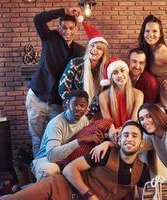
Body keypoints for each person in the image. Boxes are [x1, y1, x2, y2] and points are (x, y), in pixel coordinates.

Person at [6, 120, 150, 200]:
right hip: (60, 187)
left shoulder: (142, 170)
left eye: (134, 136)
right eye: (126, 135)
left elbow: (143, 197)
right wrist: (90, 196)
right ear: (119, 139)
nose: (129, 139)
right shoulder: (105, 152)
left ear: (141, 143)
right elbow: (69, 169)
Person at [26, 7, 86, 157]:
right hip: (37, 98)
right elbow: (38, 19)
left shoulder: (80, 51)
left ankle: (56, 176)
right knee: (37, 140)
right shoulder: (50, 38)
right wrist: (63, 11)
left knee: (58, 140)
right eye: (64, 27)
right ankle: (40, 175)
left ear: (76, 29)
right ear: (59, 28)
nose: (68, 31)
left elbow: (77, 80)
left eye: (71, 28)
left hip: (57, 103)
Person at [31, 90, 104, 181]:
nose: (78, 108)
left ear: (86, 108)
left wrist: (99, 140)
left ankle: (22, 190)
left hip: (66, 160)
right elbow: (51, 156)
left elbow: (88, 142)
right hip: (45, 159)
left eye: (82, 105)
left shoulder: (84, 120)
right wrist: (80, 140)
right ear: (66, 105)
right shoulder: (56, 123)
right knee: (50, 171)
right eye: (74, 104)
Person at [59, 20, 109, 120]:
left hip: (94, 114)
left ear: (103, 53)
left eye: (99, 48)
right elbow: (62, 88)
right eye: (92, 46)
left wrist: (90, 111)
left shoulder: (105, 70)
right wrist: (77, 107)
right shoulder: (75, 63)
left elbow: (103, 95)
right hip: (73, 110)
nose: (94, 50)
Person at [99, 57, 144, 142]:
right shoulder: (103, 96)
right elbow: (108, 122)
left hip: (131, 131)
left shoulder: (139, 94)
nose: (120, 75)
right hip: (113, 134)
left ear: (127, 72)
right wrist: (112, 130)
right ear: (111, 77)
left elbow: (133, 120)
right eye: (115, 73)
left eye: (122, 70)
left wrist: (122, 130)